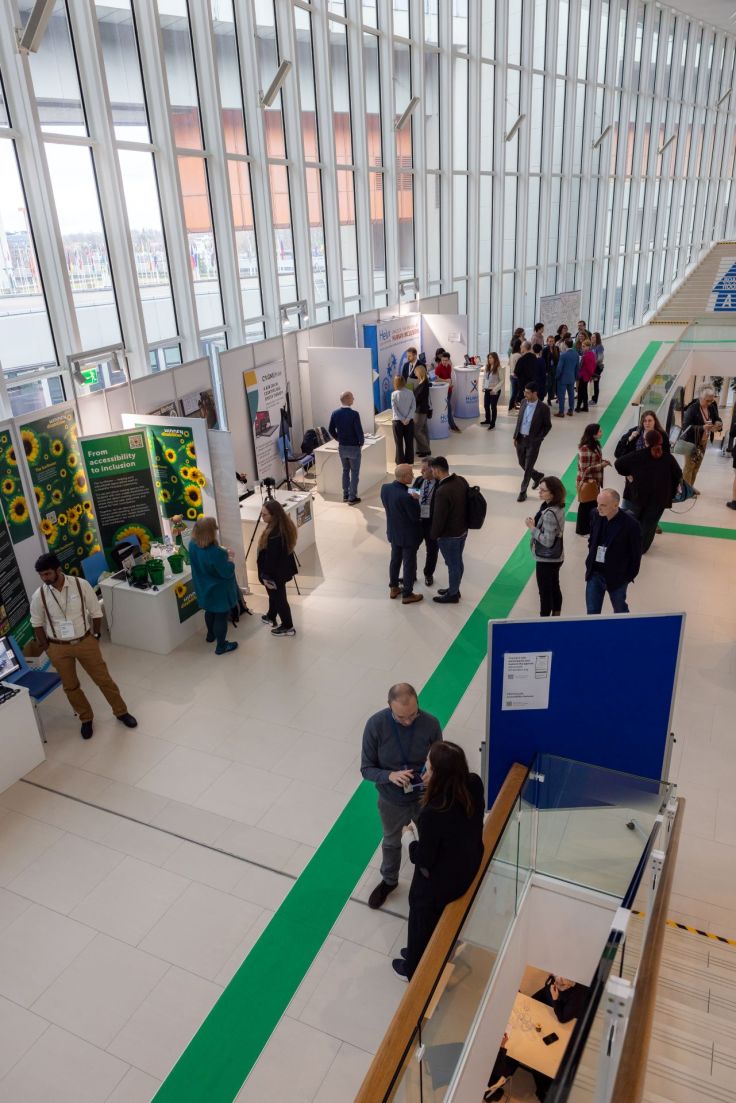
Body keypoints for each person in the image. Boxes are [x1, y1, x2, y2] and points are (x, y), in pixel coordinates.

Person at [392, 741, 484, 979]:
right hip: (468, 865)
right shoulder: (474, 783)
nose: (424, 771)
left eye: (429, 768)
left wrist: (409, 838)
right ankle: (416, 951)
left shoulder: (434, 812)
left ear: (440, 775)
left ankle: (413, 967)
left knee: (420, 917)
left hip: (441, 884)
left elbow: (422, 859)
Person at [30, 553, 138, 740]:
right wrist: (47, 647)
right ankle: (85, 718)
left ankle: (121, 712)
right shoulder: (39, 595)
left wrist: (95, 636)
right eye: (41, 575)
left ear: (58, 569)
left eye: (47, 574)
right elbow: (36, 623)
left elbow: (96, 613)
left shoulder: (81, 585)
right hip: (58, 647)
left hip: (84, 641)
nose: (44, 578)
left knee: (103, 679)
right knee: (71, 686)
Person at [361, 683, 443, 910]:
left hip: (424, 797)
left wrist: (432, 774)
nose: (408, 721)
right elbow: (366, 769)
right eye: (401, 718)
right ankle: (389, 881)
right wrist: (390, 775)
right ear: (389, 707)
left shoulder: (431, 724)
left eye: (413, 715)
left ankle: (429, 877)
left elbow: (440, 759)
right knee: (390, 842)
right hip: (391, 800)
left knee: (430, 839)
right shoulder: (375, 725)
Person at [614, 430, 682, 553]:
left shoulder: (638, 455)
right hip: (660, 499)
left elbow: (618, 463)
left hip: (639, 496)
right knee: (650, 524)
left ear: (646, 442)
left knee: (634, 521)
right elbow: (678, 474)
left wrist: (628, 474)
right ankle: (642, 548)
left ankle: (630, 544)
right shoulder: (668, 457)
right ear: (660, 441)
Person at [585, 489, 642, 614]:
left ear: (616, 505)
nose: (598, 508)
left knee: (620, 609)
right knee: (592, 612)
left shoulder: (631, 524)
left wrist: (627, 577)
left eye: (603, 505)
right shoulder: (595, 514)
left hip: (617, 576)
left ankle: (623, 631)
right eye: (598, 503)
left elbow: (636, 554)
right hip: (595, 573)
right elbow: (592, 539)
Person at [188, 516, 240, 654]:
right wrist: (230, 558)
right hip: (219, 590)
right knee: (221, 616)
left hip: (203, 586)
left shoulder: (192, 544)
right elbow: (227, 572)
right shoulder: (216, 552)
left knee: (209, 610)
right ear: (211, 532)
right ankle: (221, 646)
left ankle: (210, 635)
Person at [380, 464, 424, 605]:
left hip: (394, 532)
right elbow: (416, 516)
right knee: (408, 564)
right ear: (405, 476)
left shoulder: (385, 488)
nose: (413, 475)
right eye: (411, 473)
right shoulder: (407, 497)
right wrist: (416, 500)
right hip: (409, 536)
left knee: (395, 560)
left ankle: (394, 587)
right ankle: (407, 594)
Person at [255, 499, 298, 637]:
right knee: (274, 595)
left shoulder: (274, 534)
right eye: (261, 513)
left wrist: (266, 575)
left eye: (264, 514)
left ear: (273, 515)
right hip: (281, 570)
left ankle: (288, 626)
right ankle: (271, 615)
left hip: (274, 573)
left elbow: (271, 559)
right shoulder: (282, 526)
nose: (262, 516)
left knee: (279, 599)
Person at [430, 456, 469, 603]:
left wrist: (434, 535)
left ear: (437, 470)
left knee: (453, 564)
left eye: (432, 470)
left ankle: (453, 594)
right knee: (457, 561)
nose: (431, 473)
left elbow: (439, 518)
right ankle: (455, 588)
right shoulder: (461, 480)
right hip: (462, 530)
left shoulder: (443, 490)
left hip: (449, 535)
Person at [614, 410, 670, 512]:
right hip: (633, 476)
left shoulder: (662, 435)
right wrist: (629, 439)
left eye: (650, 420)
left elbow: (666, 457)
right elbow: (619, 453)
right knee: (630, 503)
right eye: (645, 421)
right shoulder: (635, 432)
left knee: (650, 504)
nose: (647, 423)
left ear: (655, 421)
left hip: (653, 476)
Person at [525, 476, 566, 617]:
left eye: (543, 490)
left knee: (545, 592)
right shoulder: (557, 506)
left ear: (553, 493)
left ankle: (544, 620)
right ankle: (556, 614)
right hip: (557, 556)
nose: (539, 492)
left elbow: (547, 541)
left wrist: (532, 528)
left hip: (547, 560)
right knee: (554, 585)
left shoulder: (550, 513)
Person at [513, 381, 552, 502]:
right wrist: (515, 436)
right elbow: (519, 421)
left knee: (528, 467)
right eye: (525, 392)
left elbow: (548, 426)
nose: (525, 394)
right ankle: (538, 476)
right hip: (520, 439)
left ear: (535, 393)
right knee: (521, 463)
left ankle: (522, 492)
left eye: (528, 393)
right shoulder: (524, 402)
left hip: (533, 442)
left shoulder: (543, 408)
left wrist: (539, 438)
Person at [680, 384, 723, 488]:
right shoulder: (692, 409)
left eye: (711, 400)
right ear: (700, 397)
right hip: (691, 441)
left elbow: (717, 418)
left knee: (696, 467)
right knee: (689, 467)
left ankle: (690, 488)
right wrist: (702, 427)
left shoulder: (712, 407)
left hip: (703, 441)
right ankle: (685, 491)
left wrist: (718, 423)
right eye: (707, 400)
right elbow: (686, 427)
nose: (709, 403)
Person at [328, 390, 364, 504]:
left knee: (345, 470)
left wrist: (338, 438)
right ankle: (352, 497)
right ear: (348, 399)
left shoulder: (335, 413)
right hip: (354, 447)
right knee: (354, 473)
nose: (354, 399)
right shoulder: (354, 414)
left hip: (342, 447)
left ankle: (345, 495)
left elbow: (330, 429)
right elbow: (359, 431)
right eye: (352, 397)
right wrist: (361, 442)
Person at [576, 423, 611, 536]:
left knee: (591, 505)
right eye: (599, 431)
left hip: (594, 481)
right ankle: (582, 530)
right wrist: (601, 465)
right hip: (587, 481)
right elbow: (584, 468)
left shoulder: (595, 445)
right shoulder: (585, 448)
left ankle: (589, 528)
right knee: (585, 505)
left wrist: (602, 461)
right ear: (593, 434)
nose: (602, 433)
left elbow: (594, 461)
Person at [413, 458, 438, 586]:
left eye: (424, 468)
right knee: (412, 548)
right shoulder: (419, 480)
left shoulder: (439, 484)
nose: (421, 471)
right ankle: (411, 573)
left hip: (432, 523)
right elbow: (411, 495)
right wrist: (412, 496)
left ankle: (428, 574)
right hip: (418, 521)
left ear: (432, 470)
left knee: (432, 550)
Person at [391, 374, 416, 464]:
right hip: (409, 422)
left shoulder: (394, 394)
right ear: (404, 382)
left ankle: (400, 462)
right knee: (409, 443)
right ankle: (409, 462)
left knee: (399, 444)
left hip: (397, 422)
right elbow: (413, 407)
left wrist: (401, 419)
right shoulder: (410, 392)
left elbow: (394, 409)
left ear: (395, 383)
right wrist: (408, 418)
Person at [434, 353, 461, 432]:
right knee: (448, 408)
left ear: (448, 360)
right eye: (443, 360)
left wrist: (450, 383)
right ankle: (452, 426)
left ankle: (449, 425)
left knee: (448, 408)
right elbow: (436, 379)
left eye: (446, 360)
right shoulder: (438, 368)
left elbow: (449, 378)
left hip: (449, 390)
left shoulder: (449, 367)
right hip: (442, 392)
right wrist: (446, 381)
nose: (444, 362)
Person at [555, 337, 579, 417]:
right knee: (571, 395)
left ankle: (561, 412)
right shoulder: (576, 354)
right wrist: (576, 377)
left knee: (561, 396)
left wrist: (557, 376)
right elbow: (577, 367)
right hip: (571, 378)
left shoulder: (563, 355)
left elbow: (559, 368)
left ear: (565, 344)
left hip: (562, 379)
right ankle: (571, 410)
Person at [412, 363, 432, 456]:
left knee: (416, 430)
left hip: (420, 411)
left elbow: (418, 397)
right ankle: (423, 449)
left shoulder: (424, 384)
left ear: (420, 373)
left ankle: (426, 449)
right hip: (422, 410)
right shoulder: (423, 382)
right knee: (423, 430)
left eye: (416, 372)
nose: (415, 374)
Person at [481, 352, 503, 429]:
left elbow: (502, 380)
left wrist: (495, 389)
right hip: (487, 389)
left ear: (495, 358)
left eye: (491, 358)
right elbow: (484, 378)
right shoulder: (487, 367)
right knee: (486, 405)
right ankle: (487, 420)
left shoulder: (498, 368)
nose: (489, 359)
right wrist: (483, 386)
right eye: (489, 358)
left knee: (493, 407)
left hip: (495, 391)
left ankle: (492, 423)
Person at [576, 339, 597, 413]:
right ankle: (585, 406)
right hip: (587, 376)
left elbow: (587, 367)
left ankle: (579, 407)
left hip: (583, 375)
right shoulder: (592, 354)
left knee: (581, 391)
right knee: (584, 391)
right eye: (582, 346)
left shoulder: (586, 356)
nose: (582, 348)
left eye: (584, 346)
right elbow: (593, 365)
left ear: (588, 347)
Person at [541, 335, 559, 407]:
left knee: (554, 384)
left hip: (554, 368)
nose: (551, 342)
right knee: (549, 384)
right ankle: (545, 396)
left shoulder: (556, 349)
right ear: (547, 342)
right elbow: (543, 360)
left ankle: (550, 398)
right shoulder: (545, 350)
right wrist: (545, 371)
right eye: (550, 341)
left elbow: (558, 359)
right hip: (548, 369)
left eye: (552, 341)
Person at [507, 337, 523, 411]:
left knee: (514, 392)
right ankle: (511, 407)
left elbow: (509, 364)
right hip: (517, 376)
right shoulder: (519, 356)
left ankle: (512, 406)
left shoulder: (512, 354)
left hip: (512, 375)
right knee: (516, 393)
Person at [591, 332, 604, 405]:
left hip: (597, 367)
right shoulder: (592, 346)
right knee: (593, 384)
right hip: (593, 367)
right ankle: (593, 398)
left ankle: (594, 400)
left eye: (594, 337)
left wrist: (593, 362)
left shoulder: (599, 346)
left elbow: (600, 358)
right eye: (592, 337)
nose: (592, 338)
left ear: (597, 338)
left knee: (596, 383)